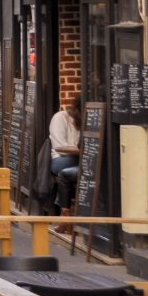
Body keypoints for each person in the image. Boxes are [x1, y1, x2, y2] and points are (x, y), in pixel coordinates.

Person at [49, 97, 82, 232]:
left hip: (76, 159)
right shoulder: (59, 118)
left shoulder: (84, 122)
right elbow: (59, 146)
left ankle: (65, 216)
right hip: (60, 160)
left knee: (68, 174)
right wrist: (79, 150)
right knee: (83, 163)